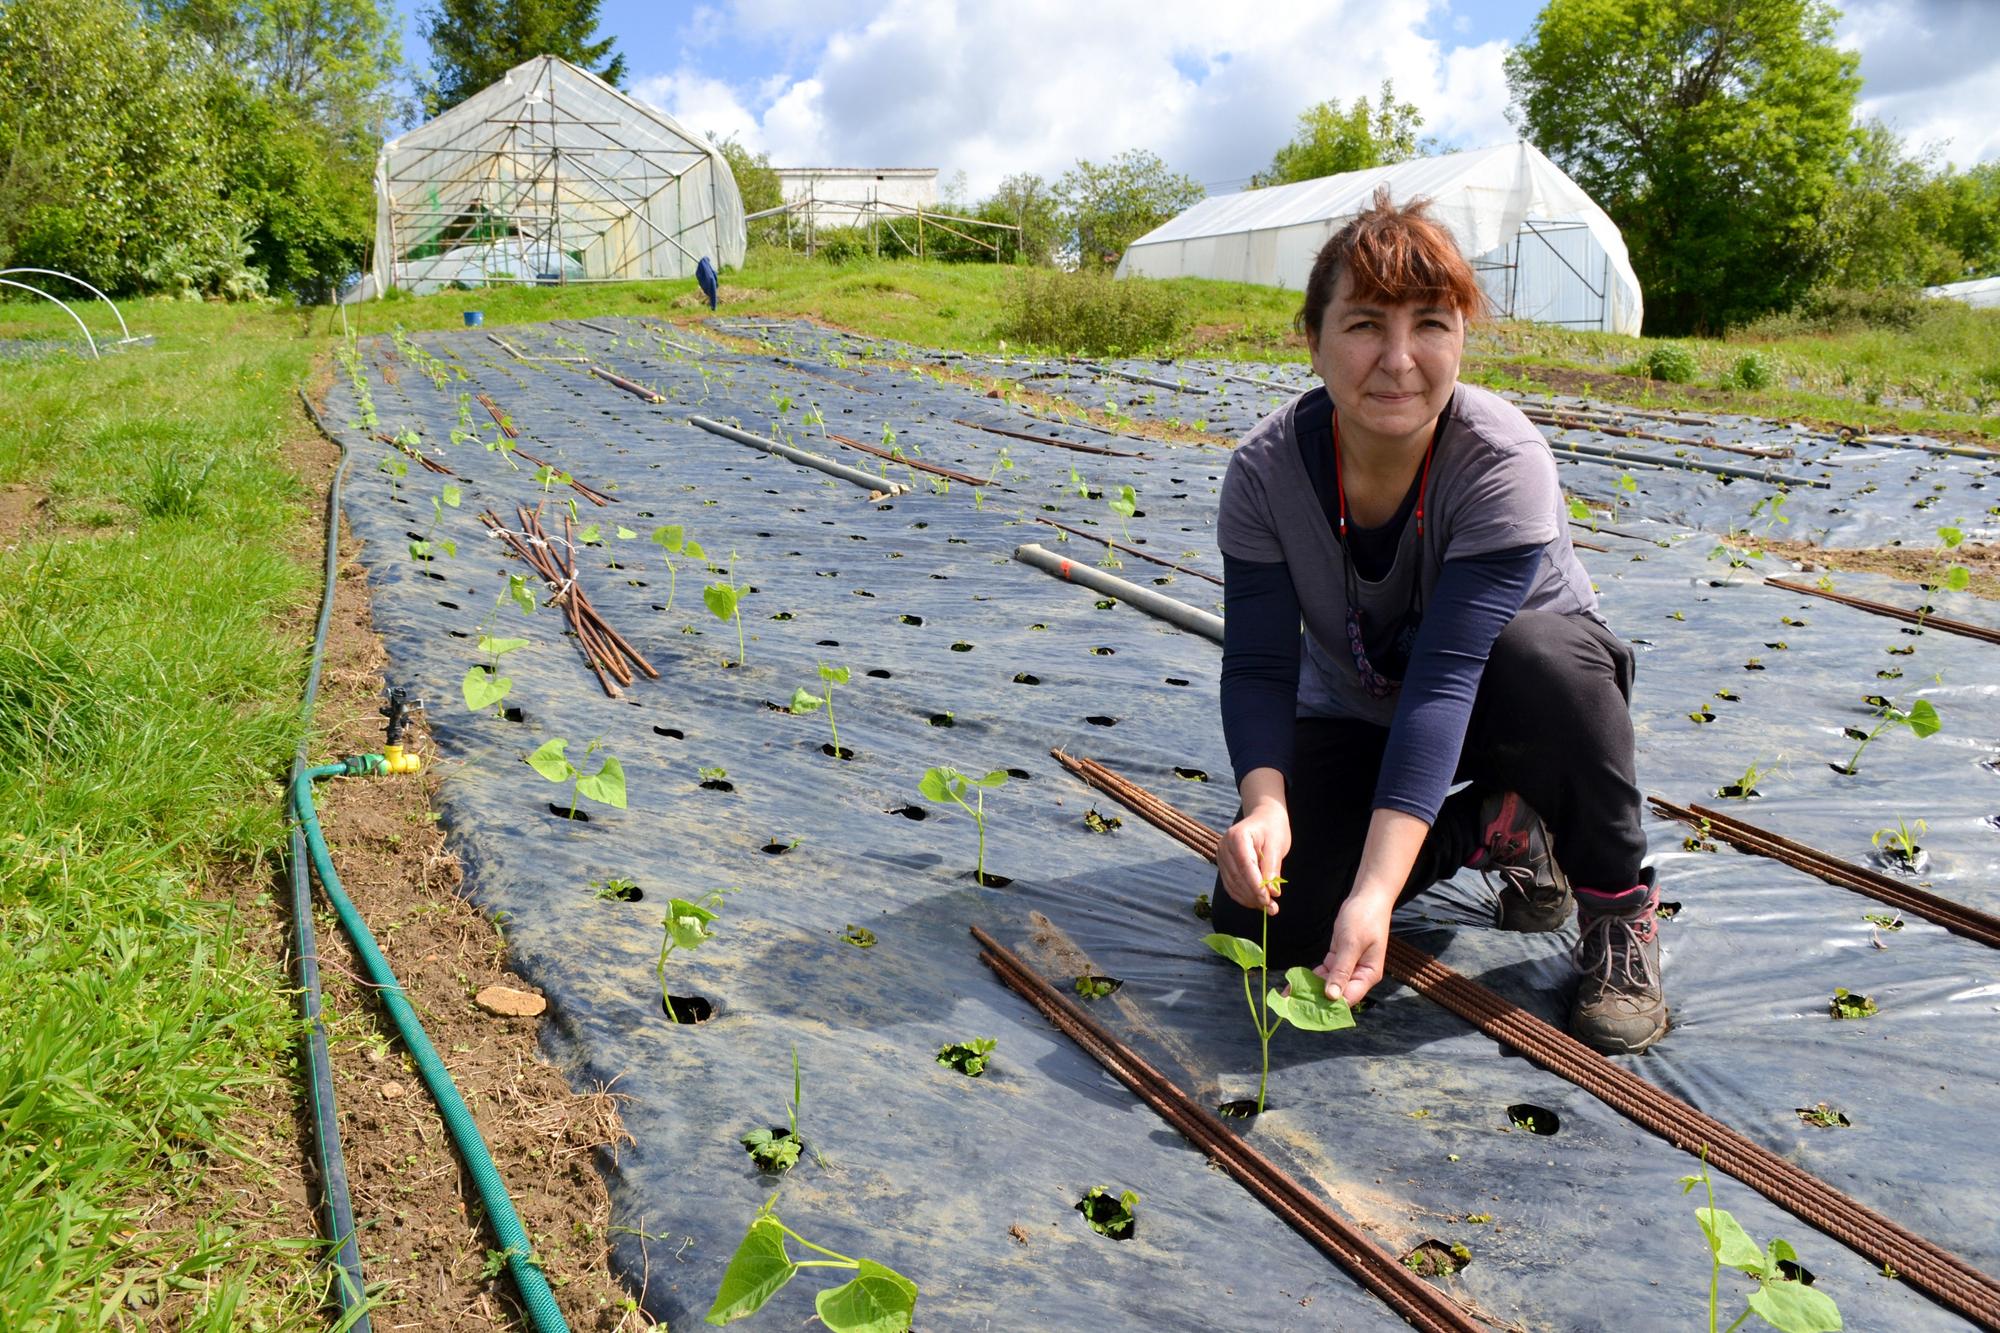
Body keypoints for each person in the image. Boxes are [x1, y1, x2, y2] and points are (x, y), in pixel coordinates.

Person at [1211, 188, 1666, 1055]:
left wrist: (1378, 893)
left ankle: (1618, 909)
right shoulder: (1265, 474)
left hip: (1525, 704)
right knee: (1265, 917)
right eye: (1363, 325)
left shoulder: (1500, 464)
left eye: (1431, 324)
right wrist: (1263, 801)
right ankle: (1499, 827)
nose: (1398, 359)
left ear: (1461, 339)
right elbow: (1262, 664)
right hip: (1363, 707)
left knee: (1544, 656)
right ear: (1312, 340)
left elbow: (1448, 677)